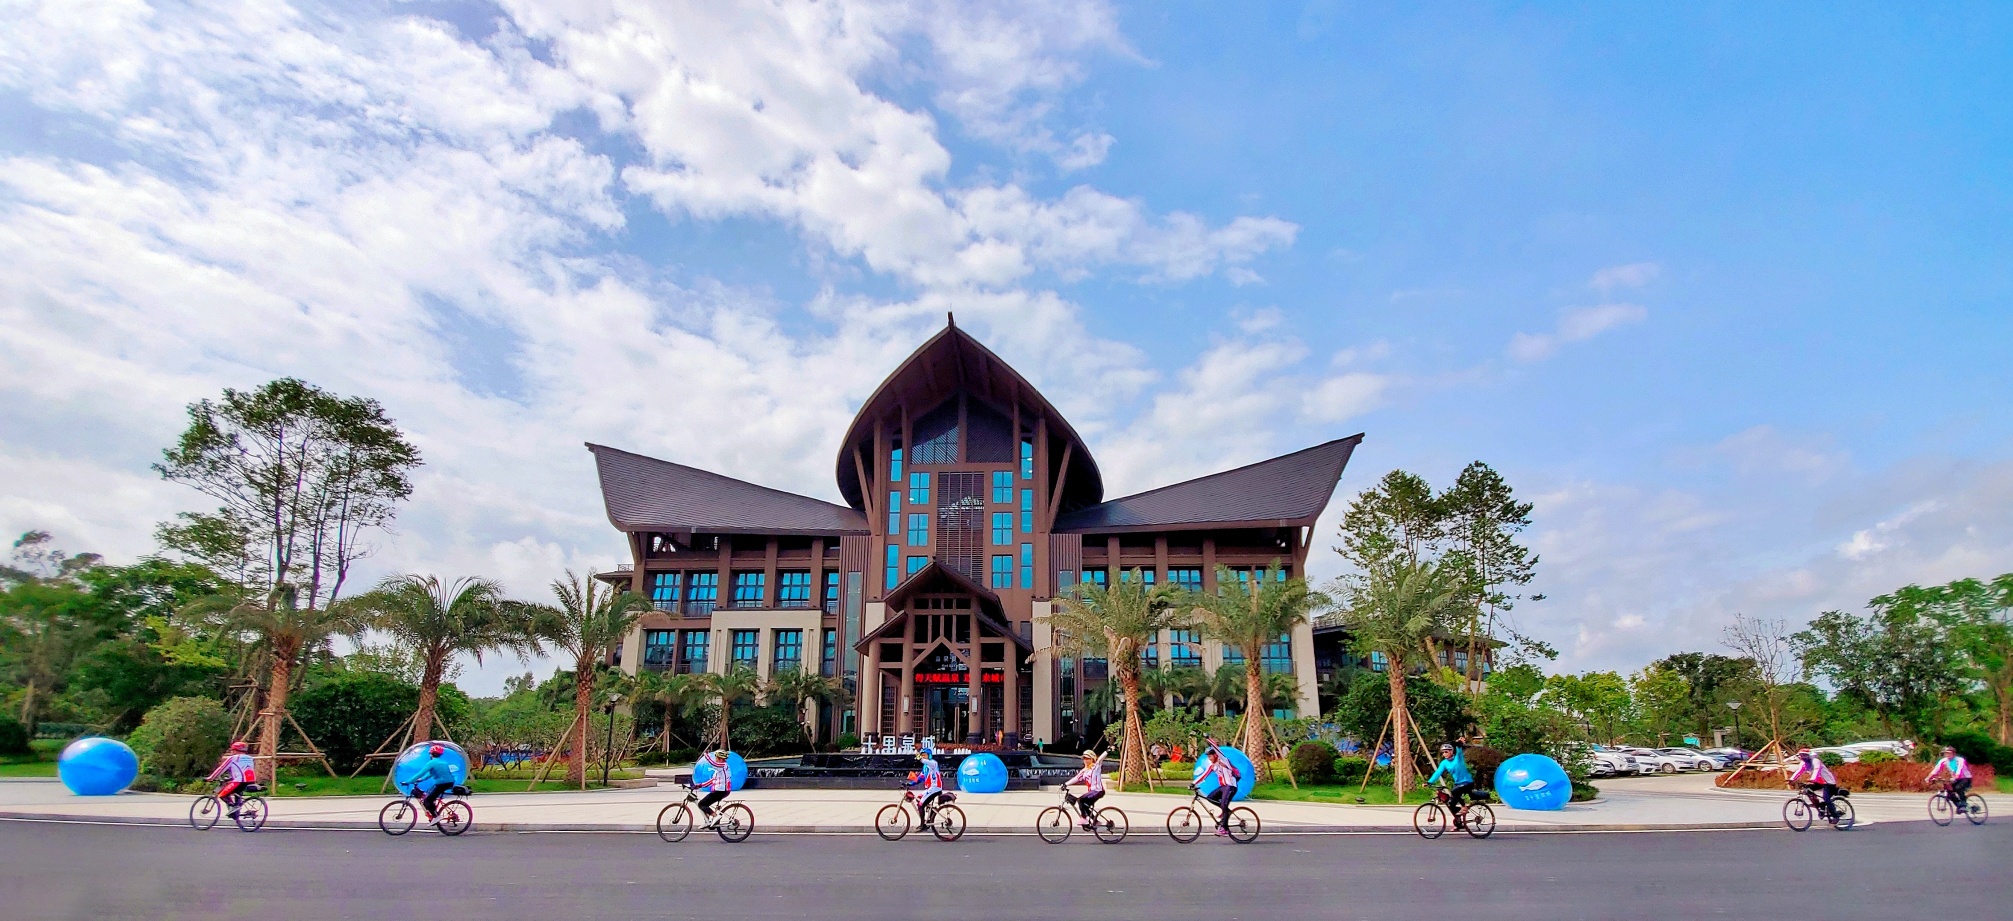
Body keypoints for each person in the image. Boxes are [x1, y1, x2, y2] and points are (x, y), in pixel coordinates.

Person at [1194, 745, 1241, 837]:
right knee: (1210, 798)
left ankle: (1224, 829)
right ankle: (1226, 810)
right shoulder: (1213, 766)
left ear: (1215, 755)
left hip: (1231, 786)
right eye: (1208, 757)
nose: (1209, 758)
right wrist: (1193, 783)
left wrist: (1208, 739)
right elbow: (1204, 775)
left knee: (1223, 805)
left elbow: (1217, 749)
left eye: (1210, 756)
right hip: (1223, 787)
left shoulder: (1224, 760)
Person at [408, 743, 460, 825]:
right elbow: (432, 773)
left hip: (442, 784)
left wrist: (409, 781)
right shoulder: (443, 762)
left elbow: (421, 773)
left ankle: (436, 816)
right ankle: (433, 810)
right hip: (449, 782)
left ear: (431, 754)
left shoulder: (431, 762)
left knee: (427, 800)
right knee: (428, 794)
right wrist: (422, 779)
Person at [1427, 740, 1476, 821]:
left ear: (1451, 751)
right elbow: (1438, 772)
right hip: (1458, 784)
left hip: (1467, 782)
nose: (1444, 754)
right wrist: (1429, 782)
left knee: (1454, 791)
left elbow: (1459, 751)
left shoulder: (1458, 758)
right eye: (1443, 752)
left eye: (1446, 752)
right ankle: (1458, 822)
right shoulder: (1444, 763)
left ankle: (1464, 807)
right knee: (1451, 803)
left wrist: (1458, 744)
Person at [205, 741, 256, 818]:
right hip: (250, 780)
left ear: (235, 750)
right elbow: (243, 769)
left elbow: (221, 769)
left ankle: (233, 808)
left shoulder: (233, 758)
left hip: (239, 781)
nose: (232, 752)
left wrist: (211, 778)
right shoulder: (250, 758)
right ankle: (236, 813)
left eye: (232, 750)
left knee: (222, 794)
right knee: (237, 794)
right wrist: (231, 778)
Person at [1787, 747, 1839, 814]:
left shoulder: (1815, 761)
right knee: (1808, 790)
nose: (1803, 757)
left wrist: (1812, 779)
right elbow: (1799, 771)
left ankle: (1834, 814)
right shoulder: (1804, 763)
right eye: (1801, 755)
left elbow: (1816, 770)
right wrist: (1791, 779)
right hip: (1818, 782)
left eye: (1805, 755)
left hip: (1828, 782)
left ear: (1809, 755)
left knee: (1826, 798)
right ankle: (1818, 806)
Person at [1064, 750, 1107, 829]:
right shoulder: (1084, 770)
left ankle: (1084, 819)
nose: (1085, 760)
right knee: (1084, 804)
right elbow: (1076, 778)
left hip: (1098, 791)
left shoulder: (1096, 767)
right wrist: (1065, 784)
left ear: (1092, 759)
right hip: (1092, 792)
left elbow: (1100, 759)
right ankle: (1095, 821)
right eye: (1084, 758)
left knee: (1081, 800)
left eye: (1087, 758)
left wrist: (1107, 751)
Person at [695, 748, 733, 826]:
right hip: (720, 791)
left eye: (716, 758)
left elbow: (713, 764)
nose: (715, 760)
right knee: (705, 804)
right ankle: (708, 821)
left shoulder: (723, 765)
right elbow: (712, 780)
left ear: (720, 758)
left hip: (721, 791)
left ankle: (716, 817)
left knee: (701, 804)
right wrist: (700, 785)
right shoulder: (720, 769)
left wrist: (706, 756)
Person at [906, 746, 945, 818]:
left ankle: (922, 823)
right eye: (922, 755)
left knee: (920, 805)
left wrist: (919, 757)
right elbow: (920, 778)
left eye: (924, 755)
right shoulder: (925, 766)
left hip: (935, 788)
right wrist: (910, 784)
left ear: (929, 755)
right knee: (918, 799)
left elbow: (923, 761)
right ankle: (931, 812)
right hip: (930, 789)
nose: (923, 757)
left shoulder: (933, 763)